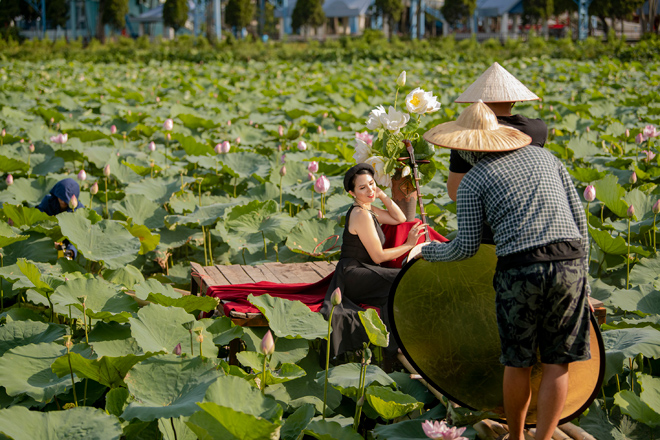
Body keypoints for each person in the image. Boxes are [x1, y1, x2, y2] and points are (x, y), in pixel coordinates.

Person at [414, 101, 592, 440]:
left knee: (518, 361)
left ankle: (516, 437)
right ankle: (543, 437)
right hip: (568, 262)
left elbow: (466, 247)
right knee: (557, 362)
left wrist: (429, 251)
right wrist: (584, 279)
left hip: (519, 270)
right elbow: (580, 222)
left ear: (464, 147)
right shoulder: (546, 158)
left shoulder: (472, 183)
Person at [320, 163, 426, 361]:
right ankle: (396, 347)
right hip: (352, 274)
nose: (369, 190)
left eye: (371, 184)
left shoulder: (368, 208)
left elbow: (399, 218)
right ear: (352, 192)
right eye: (362, 187)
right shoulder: (360, 214)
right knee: (401, 279)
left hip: (363, 269)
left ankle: (399, 340)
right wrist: (409, 245)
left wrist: (382, 195)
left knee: (398, 284)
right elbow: (378, 256)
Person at [448, 62, 548, 203]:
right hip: (532, 203)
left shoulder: (466, 135)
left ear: (479, 102)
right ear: (513, 100)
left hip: (487, 208)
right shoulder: (537, 129)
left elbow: (455, 192)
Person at [37, 178, 84, 258]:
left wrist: (70, 251)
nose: (63, 201)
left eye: (66, 200)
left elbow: (79, 235)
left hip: (68, 241)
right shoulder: (48, 201)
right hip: (47, 236)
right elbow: (37, 219)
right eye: (61, 198)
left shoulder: (79, 210)